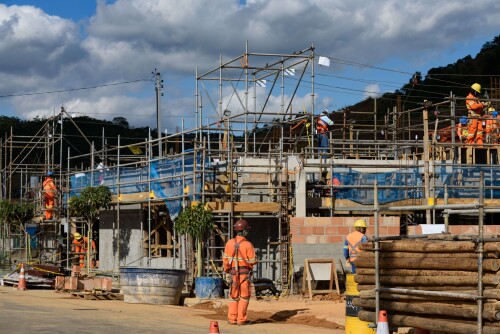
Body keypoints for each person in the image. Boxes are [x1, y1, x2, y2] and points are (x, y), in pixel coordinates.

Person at [223, 219, 257, 326]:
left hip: (233, 273)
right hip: (244, 274)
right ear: (244, 231)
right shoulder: (248, 244)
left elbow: (225, 260)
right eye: (247, 230)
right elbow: (253, 261)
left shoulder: (229, 243)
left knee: (233, 296)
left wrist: (227, 271)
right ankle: (241, 319)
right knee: (244, 296)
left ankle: (232, 319)